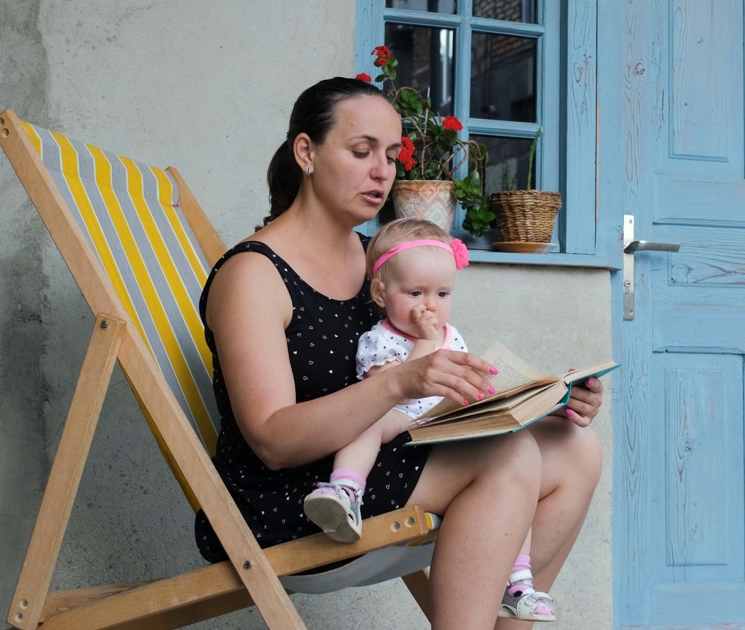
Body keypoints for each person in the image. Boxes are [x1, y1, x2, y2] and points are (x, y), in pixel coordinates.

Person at [193, 76, 604, 629]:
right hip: (294, 498)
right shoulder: (254, 276)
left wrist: (541, 399)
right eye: (362, 152)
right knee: (506, 458)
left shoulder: (379, 260)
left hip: (386, 455)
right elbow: (271, 441)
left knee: (574, 446)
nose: (383, 171)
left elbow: (423, 390)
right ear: (306, 153)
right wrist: (398, 383)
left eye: (390, 155)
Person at [302, 217, 556, 621]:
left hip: (439, 429)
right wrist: (425, 341)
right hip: (394, 425)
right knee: (364, 424)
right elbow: (392, 388)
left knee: (518, 462)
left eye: (442, 293)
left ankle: (519, 579)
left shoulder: (451, 335)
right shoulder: (379, 338)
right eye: (416, 292)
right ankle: (345, 490)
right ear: (382, 293)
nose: (430, 305)